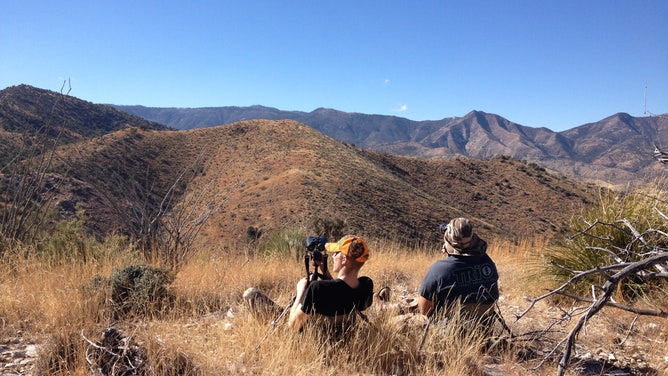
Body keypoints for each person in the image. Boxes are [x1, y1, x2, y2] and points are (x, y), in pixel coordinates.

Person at [243, 235, 374, 335]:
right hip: (339, 335)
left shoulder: (317, 289)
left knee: (250, 294)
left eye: (335, 254)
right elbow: (341, 291)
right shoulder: (366, 286)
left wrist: (301, 290)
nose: (333, 257)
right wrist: (325, 271)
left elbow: (293, 326)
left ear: (344, 259)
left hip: (308, 335)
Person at [418, 218, 499, 324]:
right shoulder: (488, 263)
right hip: (483, 329)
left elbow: (425, 310)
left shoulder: (439, 270)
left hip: (448, 332)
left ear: (448, 243)